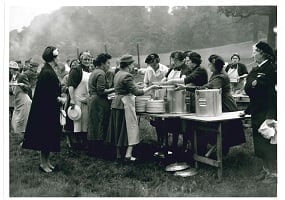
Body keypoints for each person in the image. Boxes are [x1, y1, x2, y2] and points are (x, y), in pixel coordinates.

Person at [177, 54, 246, 156]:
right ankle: (215, 151)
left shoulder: (220, 76)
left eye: (210, 63)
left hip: (225, 105)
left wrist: (186, 88)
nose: (208, 65)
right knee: (217, 130)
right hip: (219, 103)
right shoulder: (217, 74)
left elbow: (207, 88)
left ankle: (218, 153)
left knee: (222, 129)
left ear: (214, 65)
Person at [106, 55, 160, 162]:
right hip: (125, 104)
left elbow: (124, 87)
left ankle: (118, 154)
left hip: (116, 103)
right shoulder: (127, 75)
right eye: (132, 64)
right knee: (130, 128)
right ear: (128, 65)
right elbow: (137, 93)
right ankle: (128, 154)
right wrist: (151, 87)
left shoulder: (118, 74)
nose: (133, 66)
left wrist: (135, 85)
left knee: (118, 129)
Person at [22, 46, 65, 173]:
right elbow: (47, 94)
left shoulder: (48, 70)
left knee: (48, 137)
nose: (59, 58)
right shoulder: (47, 72)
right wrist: (59, 99)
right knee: (45, 137)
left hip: (48, 109)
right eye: (57, 56)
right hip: (46, 111)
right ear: (53, 57)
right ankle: (43, 164)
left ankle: (47, 162)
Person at [241, 41, 277, 183]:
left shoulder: (272, 69)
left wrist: (270, 117)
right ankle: (266, 170)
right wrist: (247, 110)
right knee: (260, 143)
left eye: (255, 51)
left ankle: (274, 174)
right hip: (257, 111)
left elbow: (273, 96)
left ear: (262, 53)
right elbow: (250, 89)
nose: (253, 54)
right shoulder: (257, 69)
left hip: (267, 113)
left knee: (269, 143)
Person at [163, 52, 208, 152]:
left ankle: (198, 151)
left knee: (197, 127)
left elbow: (187, 80)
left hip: (201, 101)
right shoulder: (194, 69)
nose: (186, 62)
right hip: (194, 99)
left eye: (188, 61)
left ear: (194, 62)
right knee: (190, 126)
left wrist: (170, 82)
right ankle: (192, 149)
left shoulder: (200, 70)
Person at [87, 53, 114, 157]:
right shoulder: (101, 73)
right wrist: (115, 89)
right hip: (99, 101)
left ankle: (93, 149)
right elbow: (101, 91)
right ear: (102, 63)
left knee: (93, 124)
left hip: (93, 100)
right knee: (100, 123)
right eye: (108, 63)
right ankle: (100, 150)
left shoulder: (94, 72)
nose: (109, 65)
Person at [67, 51, 91, 150]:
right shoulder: (76, 70)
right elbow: (71, 86)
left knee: (85, 121)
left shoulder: (90, 70)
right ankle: (76, 143)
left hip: (86, 98)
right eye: (85, 59)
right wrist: (72, 99)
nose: (87, 61)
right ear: (80, 60)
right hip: (77, 98)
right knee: (77, 120)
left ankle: (84, 141)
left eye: (89, 59)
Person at [11, 74, 32, 145]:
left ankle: (26, 141)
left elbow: (29, 88)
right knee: (15, 122)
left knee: (23, 122)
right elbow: (12, 91)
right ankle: (25, 140)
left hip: (24, 102)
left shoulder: (21, 76)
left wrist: (23, 86)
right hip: (18, 103)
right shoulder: (12, 78)